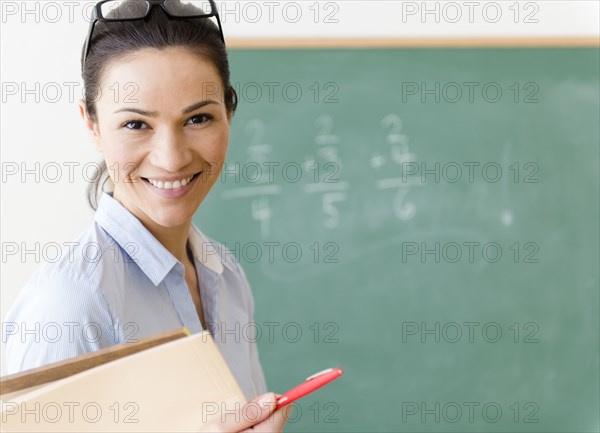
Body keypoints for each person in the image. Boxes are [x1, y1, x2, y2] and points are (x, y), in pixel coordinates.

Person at [3, 0, 288, 430]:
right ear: (92, 124)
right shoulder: (70, 305)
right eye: (136, 124)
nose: (171, 158)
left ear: (229, 112)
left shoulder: (226, 274)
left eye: (198, 118)